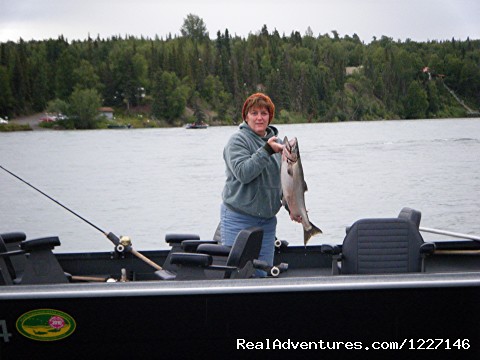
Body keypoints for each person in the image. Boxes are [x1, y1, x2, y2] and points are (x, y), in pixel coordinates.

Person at [220, 93, 297, 277]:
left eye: (264, 112)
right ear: (246, 117)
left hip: (267, 222)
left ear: (270, 116)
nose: (259, 117)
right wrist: (267, 150)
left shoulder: (279, 145)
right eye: (254, 113)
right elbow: (244, 173)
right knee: (236, 275)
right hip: (238, 219)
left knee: (262, 275)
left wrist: (292, 207)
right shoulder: (237, 141)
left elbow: (282, 184)